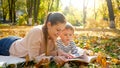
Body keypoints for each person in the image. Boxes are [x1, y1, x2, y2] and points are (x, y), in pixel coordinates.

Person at [0, 12, 74, 66]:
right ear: (49, 24)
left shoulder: (52, 34)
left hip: (22, 42)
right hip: (7, 46)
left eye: (62, 30)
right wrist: (53, 59)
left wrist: (60, 52)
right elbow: (34, 58)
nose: (60, 33)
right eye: (58, 30)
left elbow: (47, 52)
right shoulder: (37, 32)